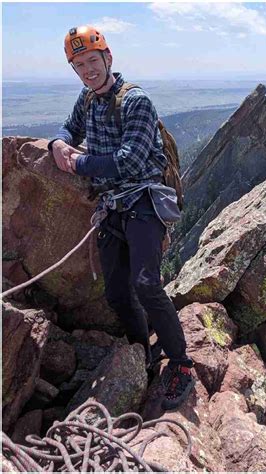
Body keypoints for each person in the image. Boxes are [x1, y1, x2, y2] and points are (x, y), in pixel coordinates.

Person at [48, 26, 194, 410]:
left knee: (146, 283)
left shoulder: (136, 102)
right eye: (79, 65)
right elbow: (69, 126)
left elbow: (129, 159)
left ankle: (181, 363)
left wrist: (78, 163)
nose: (87, 71)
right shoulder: (87, 99)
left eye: (92, 62)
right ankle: (141, 351)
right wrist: (57, 142)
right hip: (112, 206)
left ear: (108, 59)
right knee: (116, 292)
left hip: (144, 201)